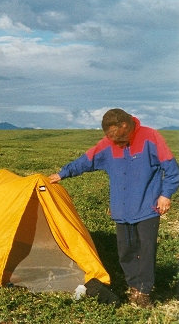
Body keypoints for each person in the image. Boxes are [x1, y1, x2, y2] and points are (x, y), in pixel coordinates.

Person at [49, 108, 179, 307]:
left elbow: (171, 170)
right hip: (121, 209)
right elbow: (86, 161)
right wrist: (63, 174)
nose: (116, 143)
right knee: (125, 251)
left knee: (146, 250)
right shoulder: (108, 144)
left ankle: (143, 292)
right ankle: (133, 286)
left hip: (147, 206)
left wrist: (165, 195)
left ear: (126, 127)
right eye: (112, 139)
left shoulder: (150, 137)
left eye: (119, 139)